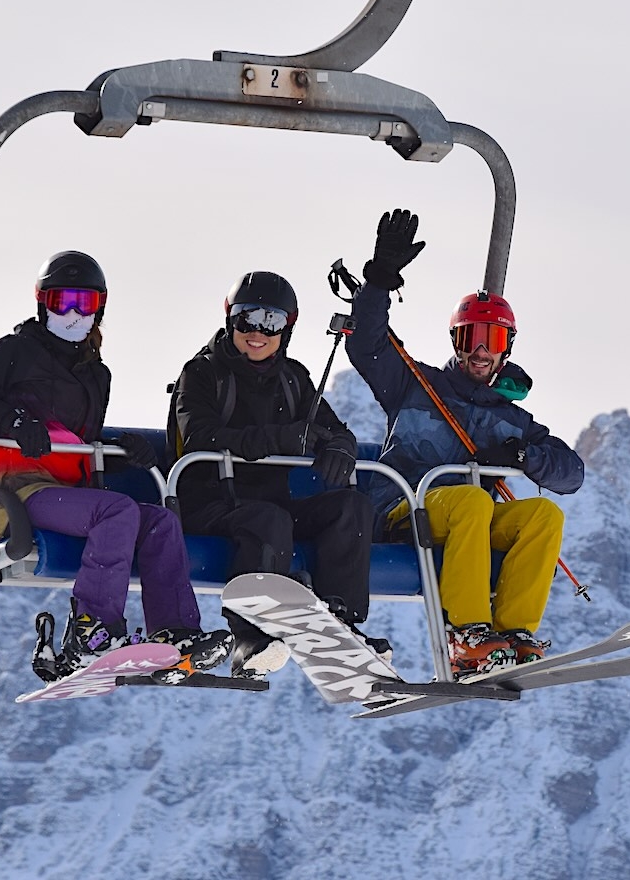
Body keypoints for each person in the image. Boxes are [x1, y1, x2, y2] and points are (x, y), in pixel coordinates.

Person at [0, 250, 232, 680]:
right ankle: (92, 630)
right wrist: (12, 421)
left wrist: (122, 452)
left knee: (160, 523)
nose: (75, 313)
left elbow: (82, 445)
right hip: (20, 492)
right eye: (63, 301)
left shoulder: (96, 375)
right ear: (43, 303)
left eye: (86, 303)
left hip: (71, 495)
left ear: (101, 308)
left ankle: (175, 633)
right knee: (116, 511)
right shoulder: (15, 353)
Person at [345, 209, 585, 678]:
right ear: (457, 340)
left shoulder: (509, 418)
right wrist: (379, 280)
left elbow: (570, 474)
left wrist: (523, 455)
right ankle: (467, 634)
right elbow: (366, 346)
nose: (480, 349)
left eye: (491, 338)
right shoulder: (416, 386)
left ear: (506, 347)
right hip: (404, 509)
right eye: (471, 336)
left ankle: (512, 634)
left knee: (543, 514)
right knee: (473, 502)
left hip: (465, 520)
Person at [168, 271, 389, 680]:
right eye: (246, 318)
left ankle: (339, 622)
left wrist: (341, 446)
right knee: (269, 520)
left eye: (271, 322)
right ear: (229, 318)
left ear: (287, 327)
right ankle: (249, 636)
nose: (258, 331)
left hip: (270, 503)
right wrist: (277, 439)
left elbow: (333, 428)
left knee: (351, 508)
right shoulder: (202, 374)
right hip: (209, 504)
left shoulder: (293, 378)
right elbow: (200, 436)